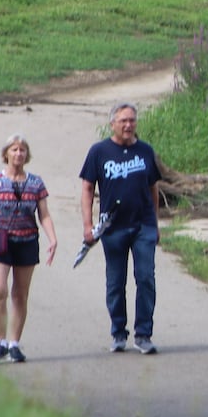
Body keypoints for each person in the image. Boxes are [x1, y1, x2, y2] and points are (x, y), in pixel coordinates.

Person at [79, 102, 164, 355]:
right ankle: (118, 332)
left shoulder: (145, 151)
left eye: (132, 121)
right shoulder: (99, 152)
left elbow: (153, 188)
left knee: (146, 278)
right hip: (113, 228)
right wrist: (87, 225)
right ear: (112, 124)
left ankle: (143, 334)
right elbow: (87, 188)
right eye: (123, 121)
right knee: (116, 282)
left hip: (143, 226)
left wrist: (155, 223)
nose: (128, 125)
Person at [0, 134, 59, 364]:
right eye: (14, 149)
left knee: (20, 295)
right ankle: (0, 341)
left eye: (22, 150)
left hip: (27, 241)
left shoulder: (36, 183)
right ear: (6, 154)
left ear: (26, 155)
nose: (18, 154)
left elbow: (44, 214)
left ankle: (14, 344)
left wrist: (52, 238)